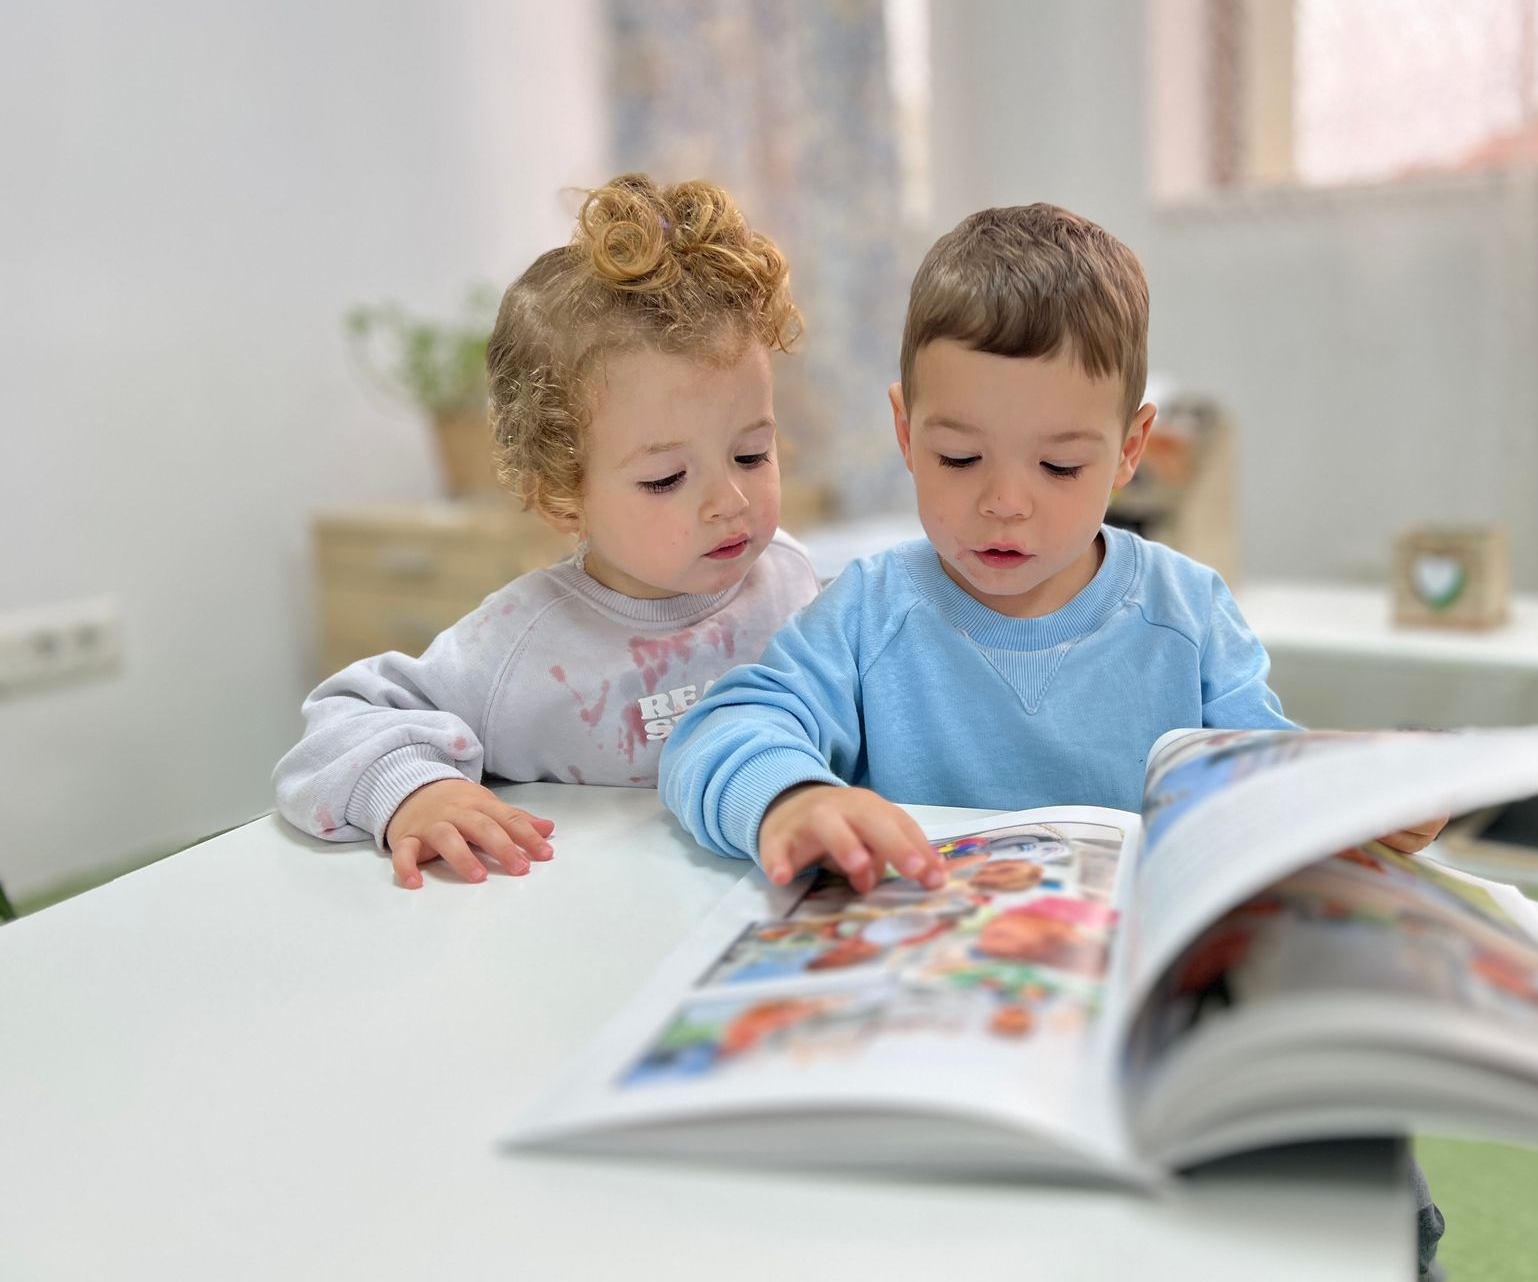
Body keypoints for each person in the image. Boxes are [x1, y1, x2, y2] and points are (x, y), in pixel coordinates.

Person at [662, 201, 1448, 893]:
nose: (1005, 502)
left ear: (1131, 448)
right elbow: (719, 732)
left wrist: (1351, 798)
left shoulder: (1190, 614)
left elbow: (1260, 777)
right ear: (906, 431)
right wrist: (790, 800)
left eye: (1061, 465)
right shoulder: (868, 612)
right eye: (959, 458)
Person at [274, 174, 820, 888]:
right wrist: (417, 791)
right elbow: (336, 725)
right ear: (566, 496)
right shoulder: (517, 646)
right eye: (665, 479)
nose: (731, 499)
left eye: (752, 453)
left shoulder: (793, 583)